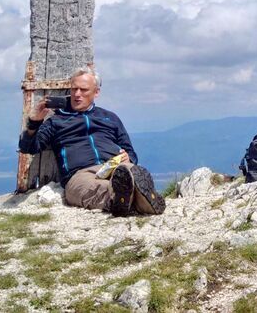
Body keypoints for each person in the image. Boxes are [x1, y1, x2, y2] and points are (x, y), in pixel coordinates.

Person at [19, 67, 165, 216]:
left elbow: (130, 150)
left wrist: (130, 158)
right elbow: (28, 148)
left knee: (129, 172)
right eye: (74, 89)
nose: (77, 94)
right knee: (94, 188)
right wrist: (34, 122)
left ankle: (125, 196)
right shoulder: (56, 121)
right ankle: (133, 198)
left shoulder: (109, 117)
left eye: (83, 90)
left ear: (96, 92)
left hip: (116, 166)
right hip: (80, 173)